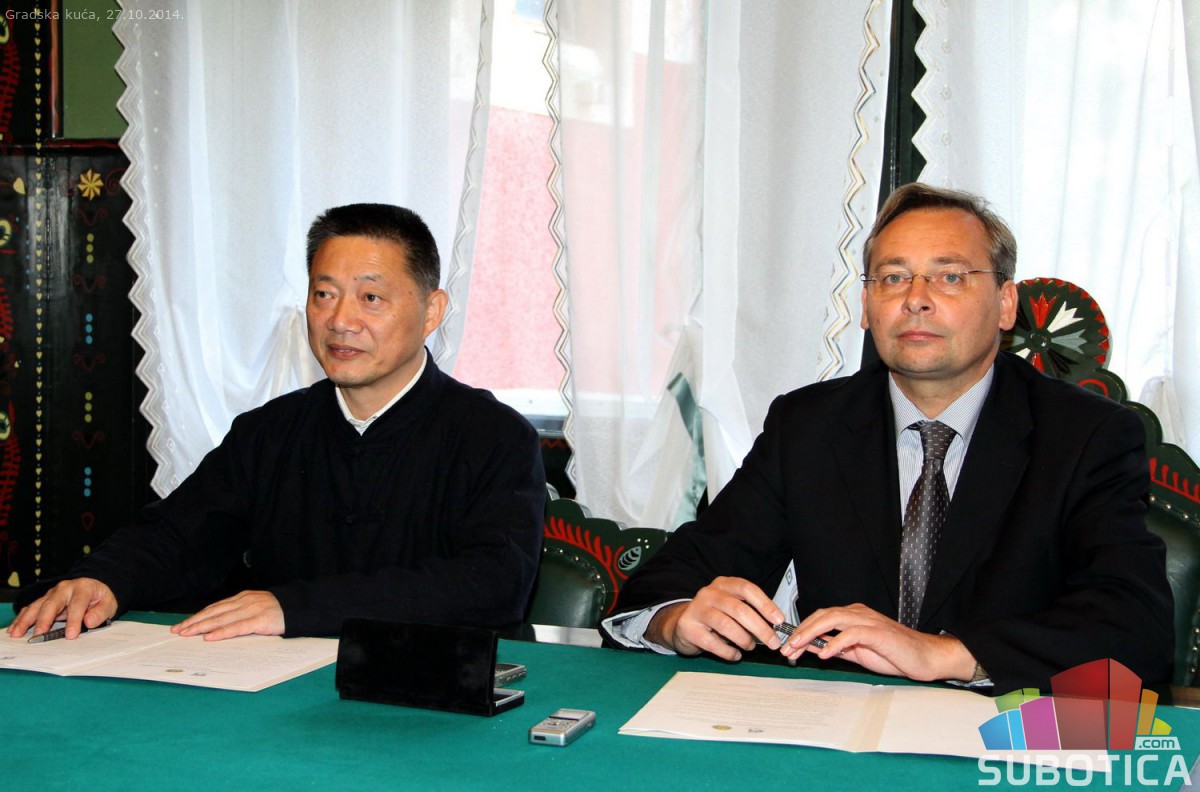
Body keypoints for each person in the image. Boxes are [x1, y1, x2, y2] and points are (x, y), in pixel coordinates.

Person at [601, 183, 1174, 694]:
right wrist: (676, 619)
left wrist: (944, 654)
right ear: (866, 307)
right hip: (833, 731)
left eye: (950, 276)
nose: (915, 298)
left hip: (1001, 734)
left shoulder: (1087, 436)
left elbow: (1135, 629)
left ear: (1005, 304)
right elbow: (674, 576)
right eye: (893, 278)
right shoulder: (809, 426)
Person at [8, 203, 545, 642]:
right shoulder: (271, 431)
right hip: (273, 690)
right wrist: (102, 579)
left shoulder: (493, 436)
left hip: (423, 696)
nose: (340, 320)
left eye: (371, 297)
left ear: (431, 312)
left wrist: (293, 607)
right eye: (323, 294)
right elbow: (179, 536)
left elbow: (494, 583)